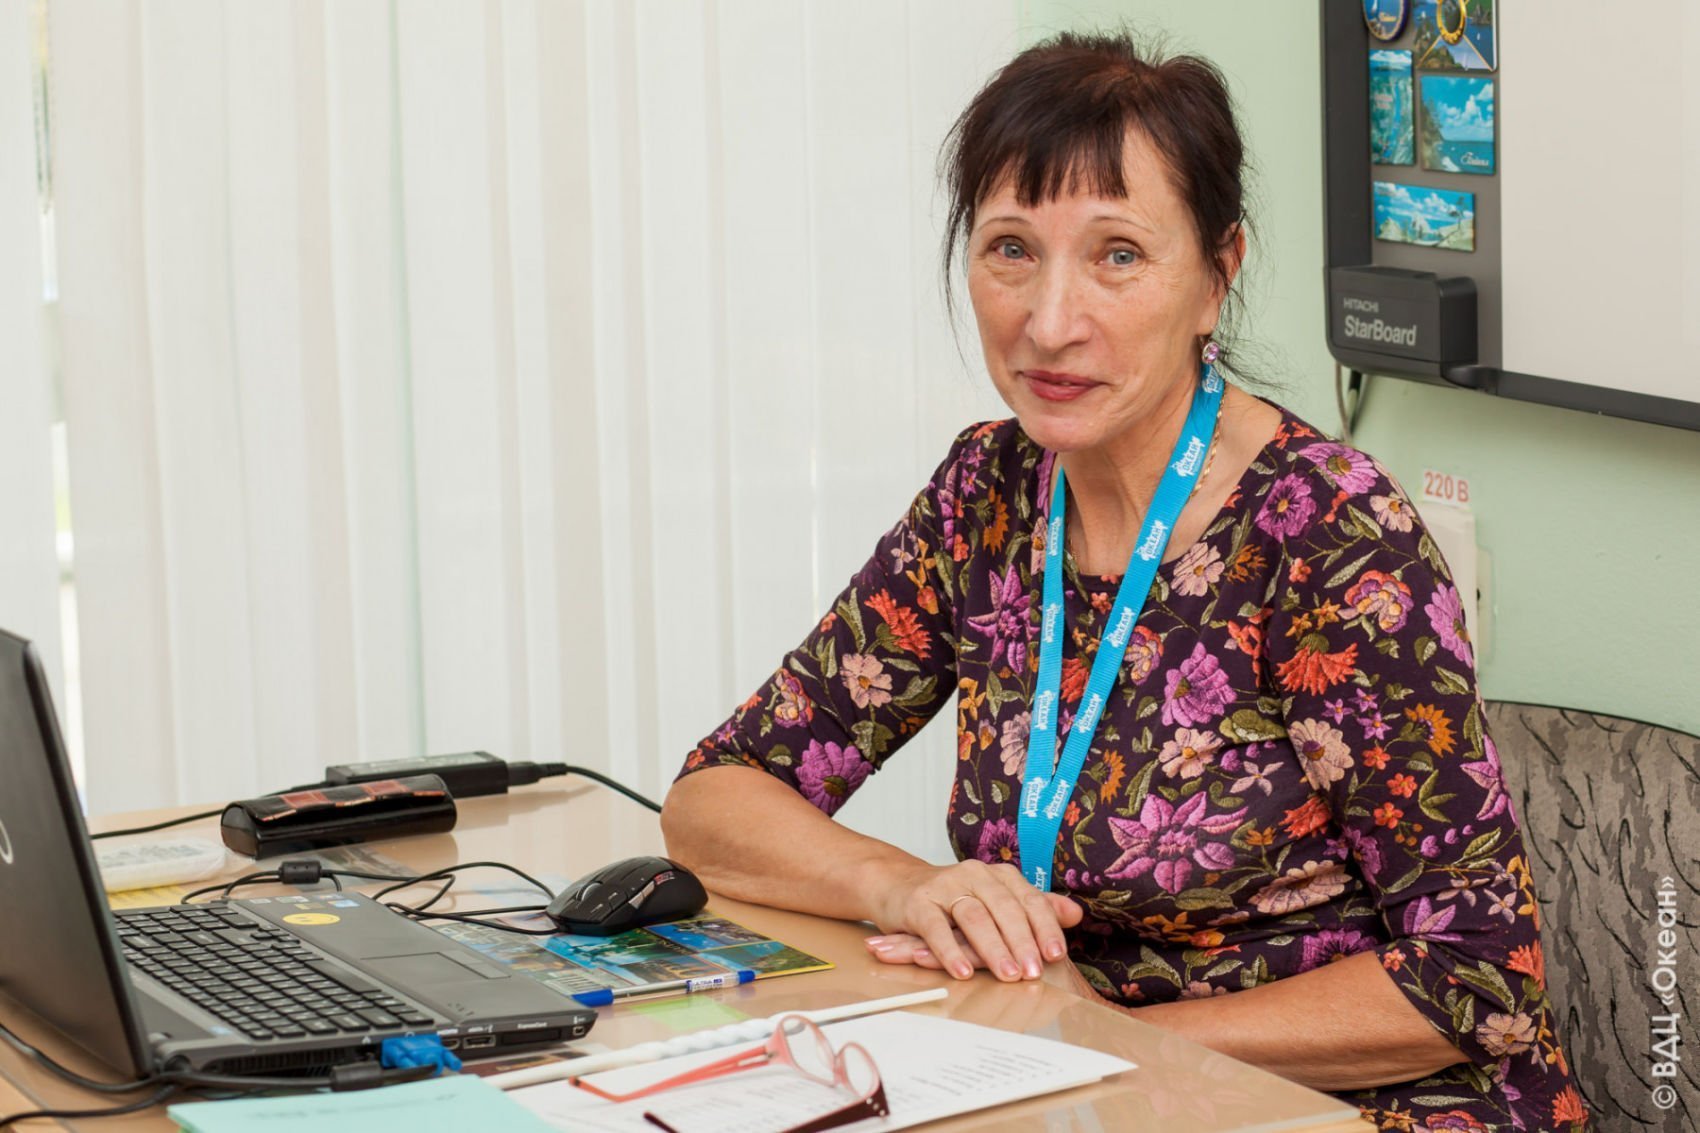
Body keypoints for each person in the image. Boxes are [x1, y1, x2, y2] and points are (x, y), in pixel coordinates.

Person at [661, 31, 1584, 1133]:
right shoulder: (985, 492)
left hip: (1353, 1107)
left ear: (1216, 277)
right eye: (1011, 249)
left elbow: (1480, 979)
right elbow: (715, 796)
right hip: (1079, 1090)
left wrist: (1105, 1037)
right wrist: (902, 884)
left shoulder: (1327, 534)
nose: (1050, 321)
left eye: (1117, 255)